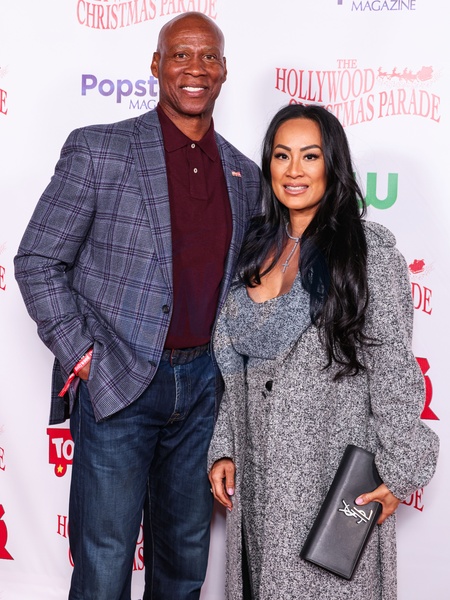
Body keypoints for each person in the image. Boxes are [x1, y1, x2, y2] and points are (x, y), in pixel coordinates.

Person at [14, 12, 261, 600]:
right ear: (156, 65)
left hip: (203, 390)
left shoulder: (245, 175)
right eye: (181, 54)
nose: (195, 68)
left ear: (224, 71)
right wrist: (83, 356)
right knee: (104, 564)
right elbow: (37, 260)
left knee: (184, 564)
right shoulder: (100, 150)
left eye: (209, 56)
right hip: (119, 380)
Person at [208, 103, 439, 600]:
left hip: (327, 471)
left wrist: (400, 471)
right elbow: (238, 370)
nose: (294, 170)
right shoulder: (253, 248)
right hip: (258, 473)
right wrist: (224, 445)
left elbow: (394, 371)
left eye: (310, 156)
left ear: (333, 165)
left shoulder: (367, 254)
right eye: (282, 155)